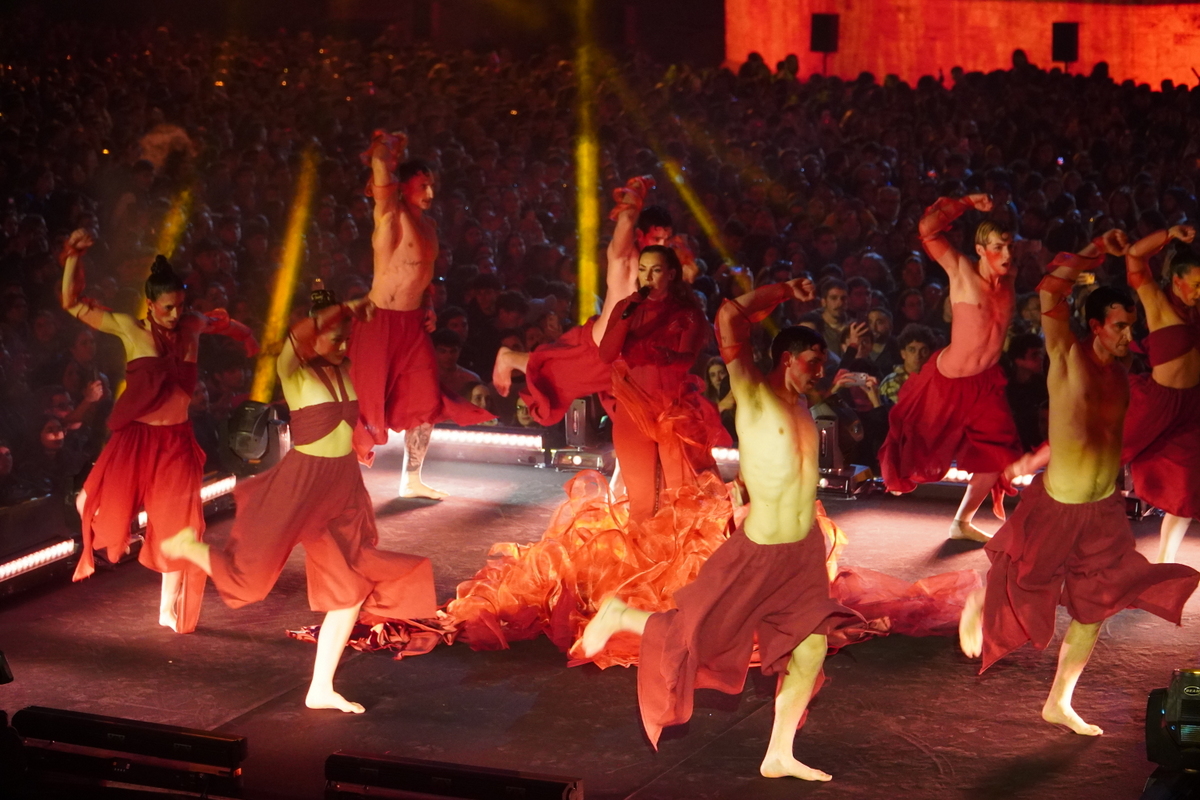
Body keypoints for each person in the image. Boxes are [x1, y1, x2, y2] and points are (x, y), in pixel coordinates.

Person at [582, 277, 859, 780]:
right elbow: (729, 318)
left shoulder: (803, 407)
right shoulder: (754, 394)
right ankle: (622, 614)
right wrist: (783, 292)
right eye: (811, 360)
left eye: (822, 361)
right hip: (757, 553)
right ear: (786, 358)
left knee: (812, 645)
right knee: (700, 640)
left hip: (801, 554)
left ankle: (778, 753)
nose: (819, 369)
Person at [958, 232, 1200, 736]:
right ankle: (979, 598)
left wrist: (1035, 453)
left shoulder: (1123, 373)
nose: (1128, 337)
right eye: (1119, 327)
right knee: (1024, 581)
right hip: (1060, 503)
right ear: (1095, 326)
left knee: (1096, 607)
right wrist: (1094, 252)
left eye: (1130, 327)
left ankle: (1059, 701)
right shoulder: (1067, 356)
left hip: (1104, 510)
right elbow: (1050, 293)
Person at [162, 285, 438, 713]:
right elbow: (295, 339)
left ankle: (320, 689)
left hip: (341, 485)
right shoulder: (294, 370)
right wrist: (343, 307)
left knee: (350, 590)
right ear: (313, 335)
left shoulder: (346, 368)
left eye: (346, 337)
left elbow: (385, 352)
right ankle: (191, 549)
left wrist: (415, 324)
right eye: (334, 335)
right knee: (249, 582)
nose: (342, 343)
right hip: (301, 486)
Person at [62, 231, 251, 633]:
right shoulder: (132, 329)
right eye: (167, 308)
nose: (174, 314)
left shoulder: (192, 325)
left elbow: (222, 322)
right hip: (137, 439)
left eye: (180, 306)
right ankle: (100, 510)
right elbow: (73, 303)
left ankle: (168, 609)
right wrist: (73, 259)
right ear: (150, 304)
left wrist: (247, 336)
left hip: (176, 441)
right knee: (90, 506)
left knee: (180, 527)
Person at [348, 131, 493, 498]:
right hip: (379, 321)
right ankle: (340, 481)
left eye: (432, 186)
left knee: (426, 400)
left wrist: (428, 305)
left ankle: (410, 480)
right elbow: (381, 174)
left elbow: (421, 274)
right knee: (363, 405)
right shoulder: (391, 217)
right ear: (404, 188)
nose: (430, 193)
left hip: (412, 324)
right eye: (422, 185)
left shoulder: (428, 226)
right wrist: (385, 153)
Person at [879, 194, 1024, 542]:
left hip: (985, 385)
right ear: (979, 249)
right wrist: (968, 202)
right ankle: (895, 480)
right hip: (947, 380)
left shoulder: (1011, 277)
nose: (1006, 254)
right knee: (914, 440)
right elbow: (927, 231)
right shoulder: (961, 270)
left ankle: (961, 522)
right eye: (997, 247)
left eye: (1008, 246)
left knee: (998, 456)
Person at [491, 177, 665, 426]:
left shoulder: (663, 270)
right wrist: (635, 195)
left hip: (629, 357)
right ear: (641, 235)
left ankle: (624, 463)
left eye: (664, 239)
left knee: (637, 414)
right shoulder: (625, 261)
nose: (662, 245)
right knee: (557, 377)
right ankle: (509, 358)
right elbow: (625, 223)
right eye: (657, 239)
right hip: (604, 346)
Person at [598, 245, 726, 523]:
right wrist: (625, 317)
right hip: (633, 408)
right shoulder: (626, 308)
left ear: (670, 274)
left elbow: (687, 359)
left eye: (656, 270)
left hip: (672, 410)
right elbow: (606, 354)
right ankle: (643, 561)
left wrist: (669, 356)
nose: (648, 277)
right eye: (643, 270)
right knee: (641, 502)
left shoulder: (687, 313)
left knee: (683, 496)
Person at [1121, 225, 1200, 563]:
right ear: (1176, 280)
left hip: (1191, 407)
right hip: (1157, 403)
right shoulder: (1156, 301)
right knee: (1101, 456)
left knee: (1186, 487)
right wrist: (1169, 233)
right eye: (1196, 284)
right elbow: (1135, 256)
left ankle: (1164, 563)